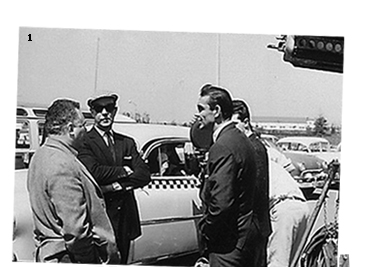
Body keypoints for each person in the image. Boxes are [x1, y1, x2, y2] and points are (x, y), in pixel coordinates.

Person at [27, 99, 120, 264]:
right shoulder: (62, 164)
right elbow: (76, 231)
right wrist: (89, 261)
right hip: (68, 258)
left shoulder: (40, 155)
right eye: (82, 125)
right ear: (70, 129)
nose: (85, 130)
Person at [232, 99, 309, 267]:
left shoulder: (248, 149)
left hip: (282, 208)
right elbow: (292, 169)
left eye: (234, 124)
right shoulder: (264, 148)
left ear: (246, 123)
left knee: (277, 263)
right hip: (299, 205)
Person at [78, 93, 151, 264]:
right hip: (100, 216)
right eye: (99, 109)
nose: (105, 113)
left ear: (115, 111)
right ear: (92, 112)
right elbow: (94, 172)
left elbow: (144, 175)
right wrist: (124, 170)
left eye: (109, 109)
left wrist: (116, 185)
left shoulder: (126, 142)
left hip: (125, 217)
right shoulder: (84, 141)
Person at [195, 84, 260, 267]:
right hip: (244, 238)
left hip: (229, 245)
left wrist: (206, 231)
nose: (198, 114)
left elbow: (221, 204)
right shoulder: (240, 139)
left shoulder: (223, 146)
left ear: (216, 111)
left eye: (201, 109)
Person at [232, 99, 272, 267]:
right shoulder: (249, 145)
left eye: (235, 124)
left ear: (246, 122)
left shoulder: (254, 148)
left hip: (254, 227)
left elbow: (256, 189)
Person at [268, 161, 310, 267]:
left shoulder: (257, 162)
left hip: (283, 207)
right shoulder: (273, 163)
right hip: (301, 206)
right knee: (292, 261)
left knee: (278, 262)